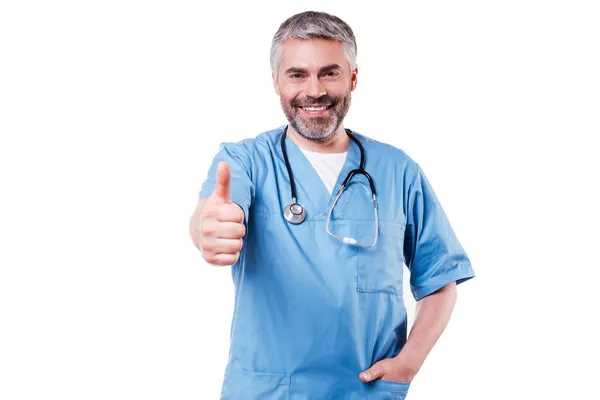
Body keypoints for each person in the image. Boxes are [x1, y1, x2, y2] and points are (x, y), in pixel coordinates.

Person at [189, 10, 475, 400]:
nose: (314, 90)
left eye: (329, 72)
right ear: (275, 81)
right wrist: (210, 228)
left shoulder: (398, 170)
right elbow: (213, 211)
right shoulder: (245, 161)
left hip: (364, 390)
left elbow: (441, 281)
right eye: (297, 74)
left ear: (353, 77)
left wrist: (410, 362)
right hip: (267, 392)